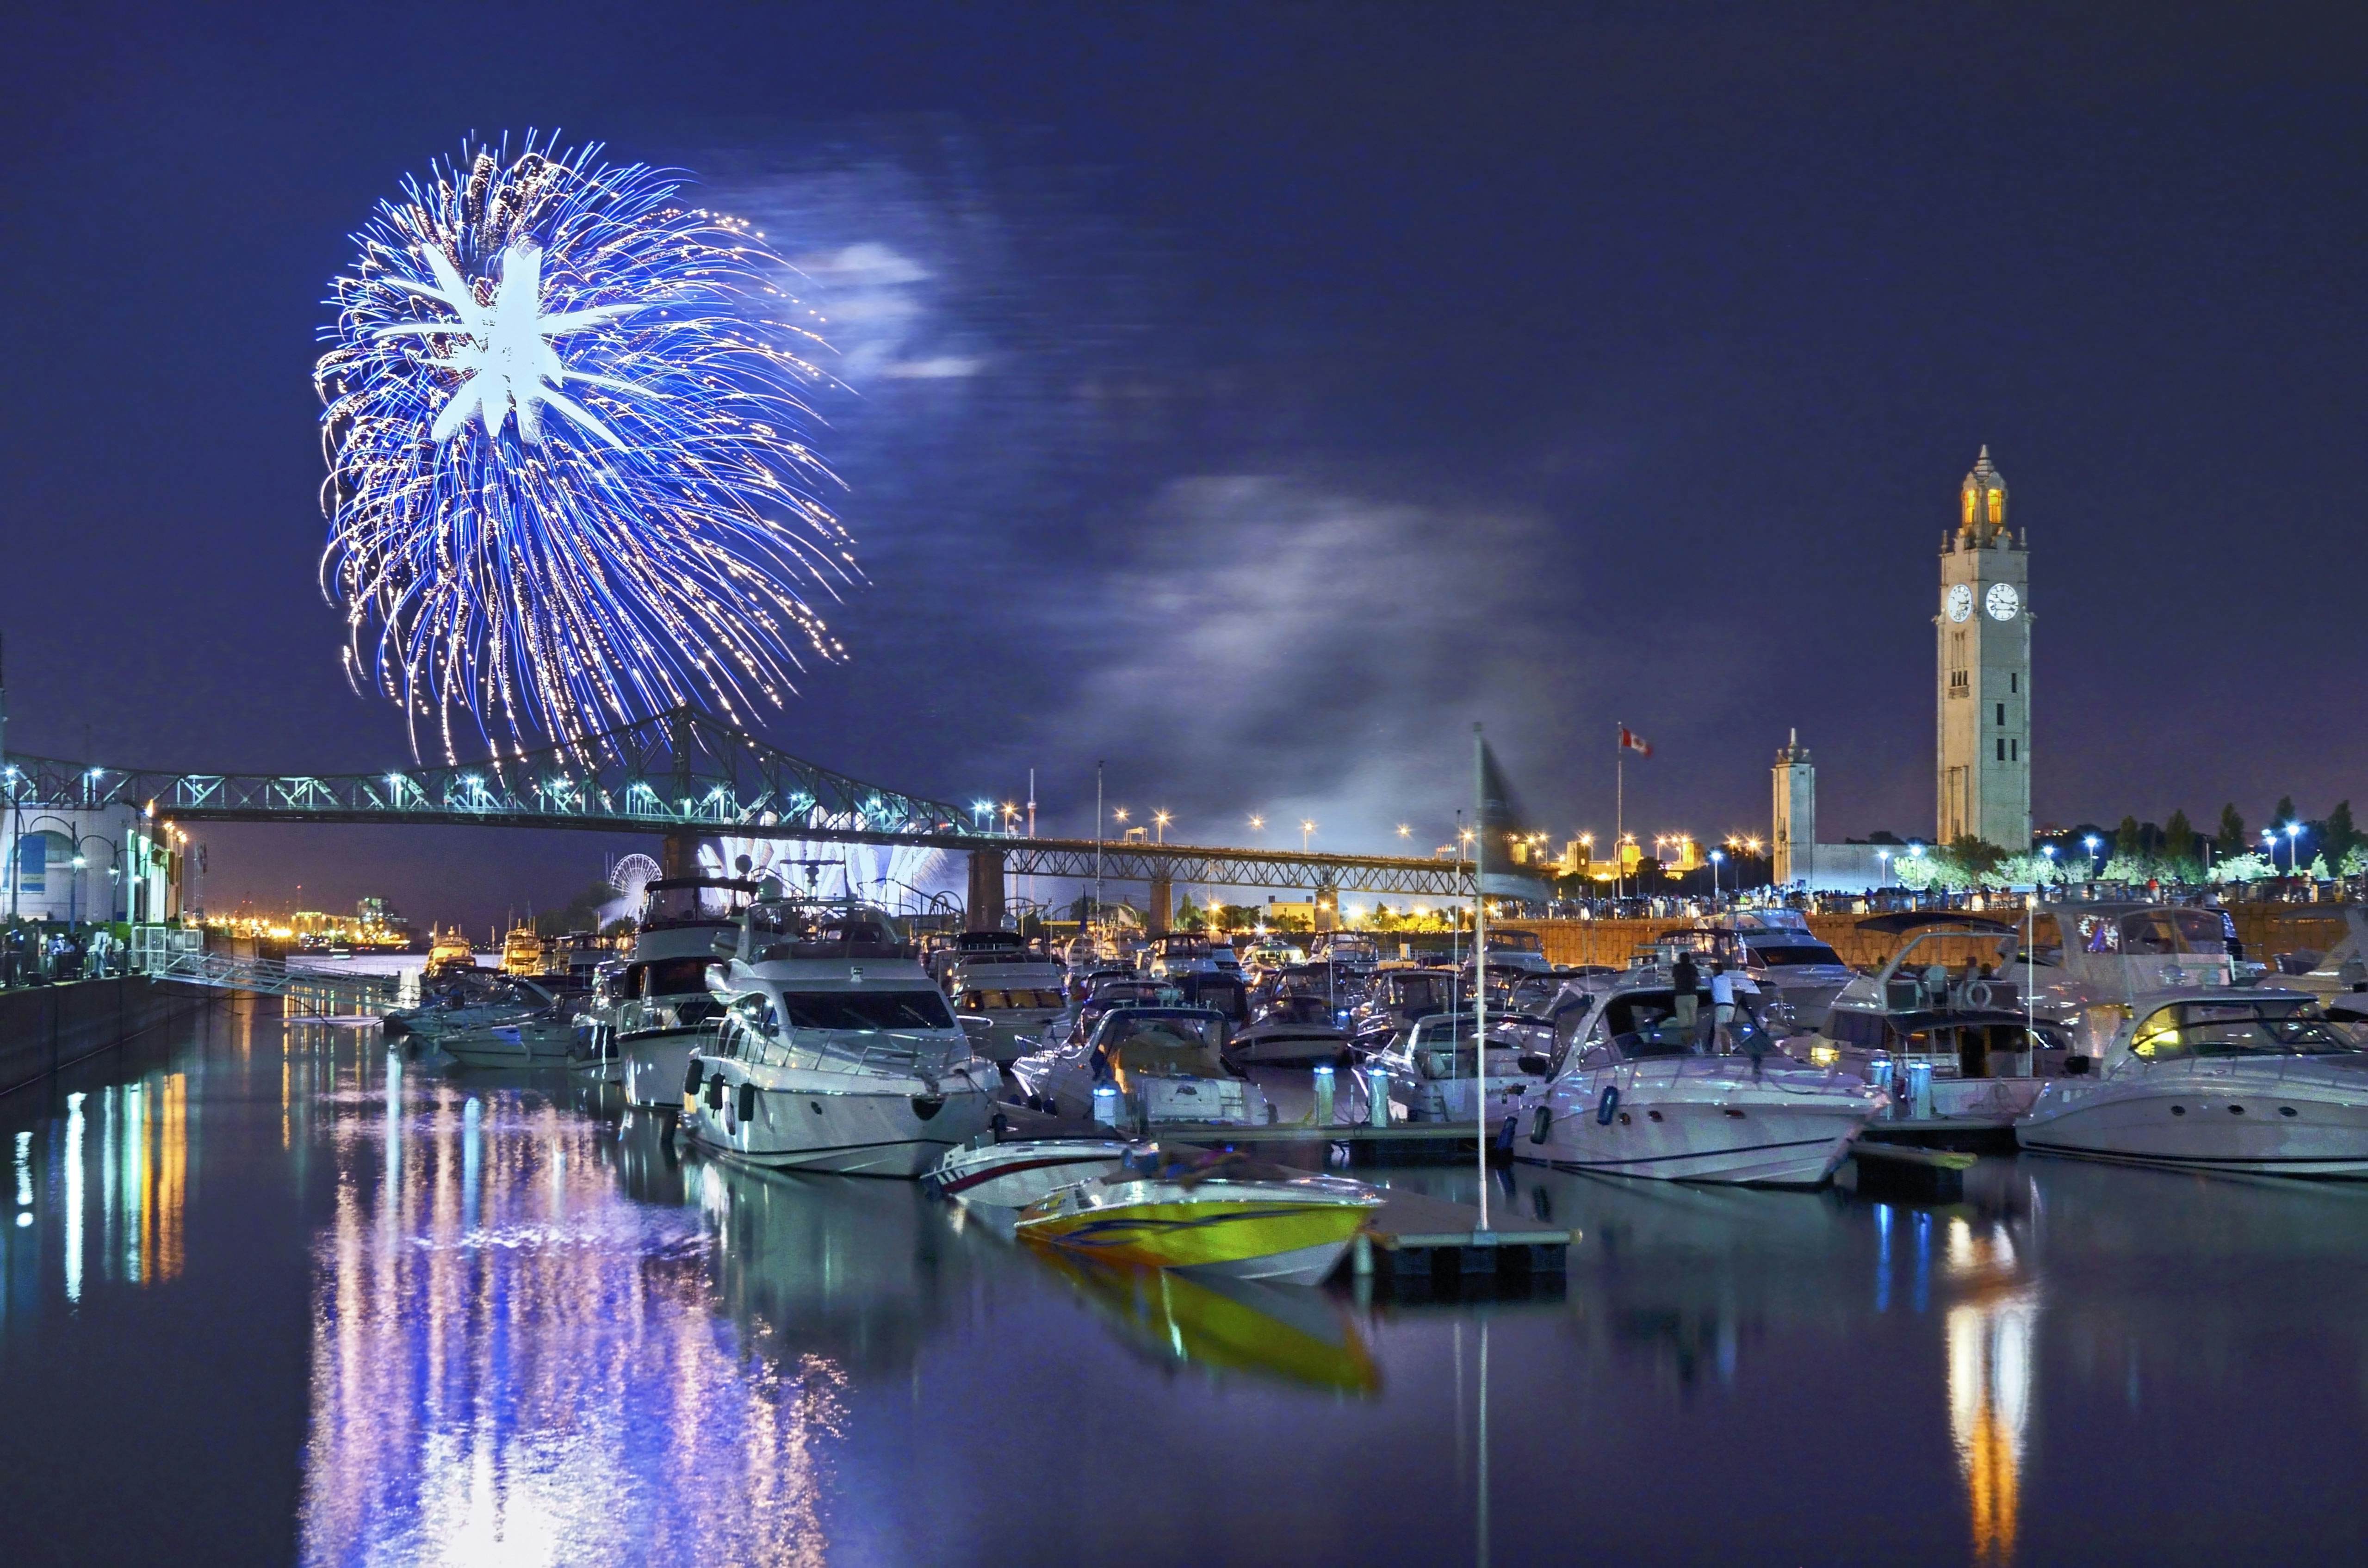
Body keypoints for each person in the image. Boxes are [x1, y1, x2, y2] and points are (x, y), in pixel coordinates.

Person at [1671, 950, 1701, 1043]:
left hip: (1680, 996)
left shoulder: (1676, 967)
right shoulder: (1693, 968)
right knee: (1692, 1021)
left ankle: (1685, 1042)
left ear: (1680, 959)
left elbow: (1673, 979)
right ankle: (1692, 1042)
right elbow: (1698, 980)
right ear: (1689, 959)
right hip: (1692, 996)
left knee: (1683, 1022)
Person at [1709, 961, 1737, 1053]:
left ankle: (1721, 1052)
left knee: (1720, 1030)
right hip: (1731, 1007)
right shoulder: (1728, 979)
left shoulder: (1714, 980)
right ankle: (1729, 1051)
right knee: (1727, 1030)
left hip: (1722, 1006)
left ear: (1714, 971)